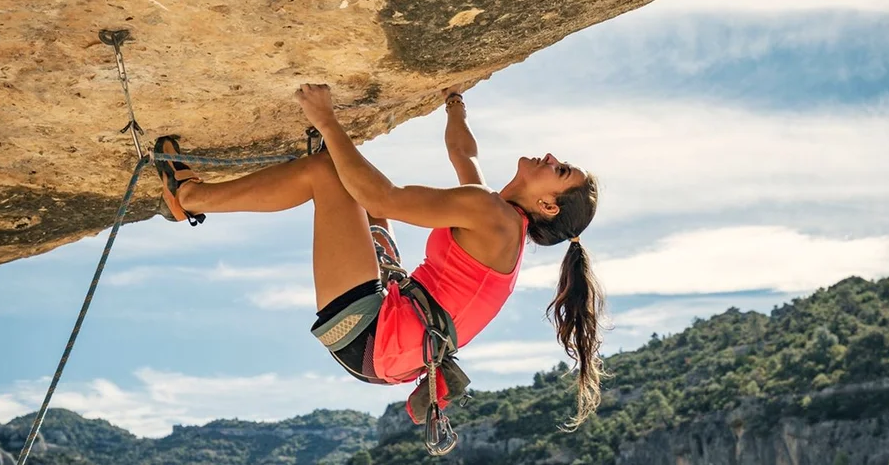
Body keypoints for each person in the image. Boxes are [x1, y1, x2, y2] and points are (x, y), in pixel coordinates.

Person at [152, 84, 606, 430]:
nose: (550, 157)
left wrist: (329, 121)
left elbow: (385, 198)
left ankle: (190, 197)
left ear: (548, 206)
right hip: (390, 344)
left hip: (373, 334)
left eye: (559, 169)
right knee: (351, 182)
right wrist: (454, 104)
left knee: (329, 174)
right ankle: (307, 158)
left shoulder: (494, 217)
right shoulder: (497, 213)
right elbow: (463, 154)